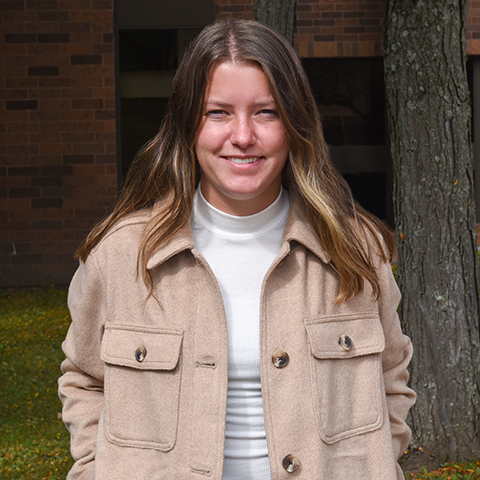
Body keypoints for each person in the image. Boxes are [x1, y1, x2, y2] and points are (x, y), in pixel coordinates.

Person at [58, 18, 416, 480]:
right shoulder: (121, 255)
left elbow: (392, 379)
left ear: (294, 123)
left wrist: (374, 464)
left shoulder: (355, 252)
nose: (243, 136)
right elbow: (84, 379)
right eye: (218, 112)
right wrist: (95, 468)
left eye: (266, 112)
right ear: (187, 125)